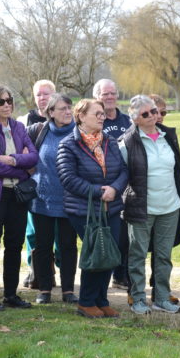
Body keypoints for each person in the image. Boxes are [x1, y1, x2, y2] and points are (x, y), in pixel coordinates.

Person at [57, 99, 128, 318]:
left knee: (110, 252)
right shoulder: (69, 144)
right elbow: (67, 178)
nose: (102, 117)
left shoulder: (110, 142)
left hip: (111, 207)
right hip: (84, 210)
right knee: (96, 252)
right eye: (96, 113)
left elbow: (124, 171)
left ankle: (101, 300)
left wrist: (114, 190)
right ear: (81, 116)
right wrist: (99, 191)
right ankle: (86, 302)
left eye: (102, 113)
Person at [119, 95, 180, 315]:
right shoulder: (127, 141)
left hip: (170, 206)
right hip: (141, 208)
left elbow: (177, 171)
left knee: (164, 255)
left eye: (155, 111)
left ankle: (162, 297)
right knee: (137, 255)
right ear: (135, 119)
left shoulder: (169, 136)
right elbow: (122, 176)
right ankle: (137, 298)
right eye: (145, 114)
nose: (152, 116)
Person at [0, 85, 38, 311]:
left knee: (14, 244)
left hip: (17, 194)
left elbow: (33, 157)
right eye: (1, 101)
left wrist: (11, 160)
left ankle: (11, 295)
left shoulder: (19, 127)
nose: (7, 105)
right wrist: (22, 167)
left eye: (9, 100)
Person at [26, 93, 79, 304]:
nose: (67, 112)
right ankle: (45, 289)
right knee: (42, 245)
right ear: (50, 112)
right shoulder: (39, 131)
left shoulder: (79, 132)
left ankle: (68, 290)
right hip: (42, 199)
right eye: (62, 108)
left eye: (69, 107)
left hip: (70, 199)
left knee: (67, 245)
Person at [93, 78, 132, 291]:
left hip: (126, 185)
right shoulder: (96, 121)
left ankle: (121, 273)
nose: (109, 97)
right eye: (105, 94)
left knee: (123, 234)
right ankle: (101, 275)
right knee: (104, 234)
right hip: (104, 187)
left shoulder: (127, 121)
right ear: (97, 97)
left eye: (112, 93)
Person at [20, 80, 57, 290]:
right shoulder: (26, 121)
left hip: (59, 188)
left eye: (46, 94)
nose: (42, 98)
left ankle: (58, 268)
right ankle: (37, 271)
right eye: (38, 95)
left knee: (60, 236)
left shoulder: (64, 120)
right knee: (33, 233)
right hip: (34, 187)